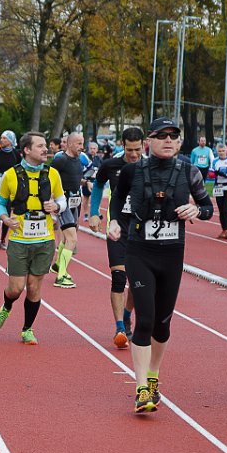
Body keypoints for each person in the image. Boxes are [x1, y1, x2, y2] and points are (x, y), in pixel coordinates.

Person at [107, 118, 213, 413]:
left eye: (173, 136)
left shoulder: (190, 172)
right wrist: (114, 220)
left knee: (162, 324)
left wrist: (196, 210)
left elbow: (207, 207)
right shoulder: (133, 170)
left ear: (179, 142)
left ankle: (153, 376)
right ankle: (141, 388)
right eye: (162, 135)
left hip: (172, 254)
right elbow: (117, 198)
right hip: (139, 251)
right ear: (148, 142)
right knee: (145, 319)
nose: (168, 140)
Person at [0, 132, 67, 344]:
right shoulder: (11, 175)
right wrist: (5, 218)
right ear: (27, 150)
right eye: (40, 146)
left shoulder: (52, 174)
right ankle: (6, 306)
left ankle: (27, 329)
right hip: (19, 240)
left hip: (44, 240)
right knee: (16, 288)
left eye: (45, 145)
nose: (45, 149)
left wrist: (56, 206)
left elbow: (62, 200)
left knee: (34, 287)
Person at [88, 126, 145, 349]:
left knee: (138, 283)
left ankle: (128, 314)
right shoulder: (111, 165)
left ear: (144, 146)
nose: (134, 154)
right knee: (119, 278)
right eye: (130, 150)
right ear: (122, 145)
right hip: (117, 229)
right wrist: (94, 212)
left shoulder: (150, 166)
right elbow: (97, 185)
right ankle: (120, 327)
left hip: (142, 231)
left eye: (138, 149)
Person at [49, 132, 89, 288]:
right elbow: (49, 179)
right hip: (63, 201)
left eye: (82, 143)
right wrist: (51, 199)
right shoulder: (60, 160)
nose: (82, 147)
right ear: (70, 144)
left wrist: (85, 182)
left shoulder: (78, 160)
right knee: (72, 239)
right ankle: (61, 276)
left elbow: (74, 178)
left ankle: (58, 265)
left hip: (75, 201)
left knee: (68, 238)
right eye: (79, 143)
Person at [0, 130, 20, 249]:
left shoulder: (16, 154)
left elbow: (19, 170)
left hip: (10, 188)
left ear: (10, 141)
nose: (2, 140)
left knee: (7, 213)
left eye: (5, 138)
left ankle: (2, 240)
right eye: (1, 138)